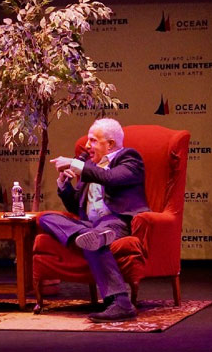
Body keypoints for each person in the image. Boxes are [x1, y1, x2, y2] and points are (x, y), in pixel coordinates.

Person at [40, 118, 150, 322]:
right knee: (46, 218)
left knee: (96, 237)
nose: (87, 145)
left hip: (115, 222)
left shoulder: (129, 159)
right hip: (90, 225)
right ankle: (89, 236)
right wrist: (64, 186)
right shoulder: (89, 166)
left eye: (93, 140)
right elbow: (76, 207)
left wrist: (76, 164)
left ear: (110, 144)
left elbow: (110, 179)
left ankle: (121, 303)